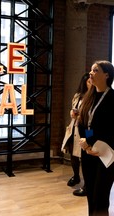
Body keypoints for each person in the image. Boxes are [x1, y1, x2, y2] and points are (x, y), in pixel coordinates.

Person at [78, 60, 114, 216]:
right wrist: (87, 143)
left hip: (106, 155)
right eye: (91, 70)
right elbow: (86, 125)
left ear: (106, 75)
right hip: (88, 154)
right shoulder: (89, 97)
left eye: (95, 70)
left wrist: (95, 145)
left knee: (100, 197)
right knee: (91, 195)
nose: (90, 73)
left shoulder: (113, 98)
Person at [62, 72, 90, 196]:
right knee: (73, 153)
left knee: (87, 155)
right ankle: (76, 176)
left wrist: (80, 116)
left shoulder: (95, 96)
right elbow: (73, 108)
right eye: (88, 81)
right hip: (75, 127)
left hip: (88, 129)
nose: (91, 83)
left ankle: (87, 184)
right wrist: (73, 114)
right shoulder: (78, 95)